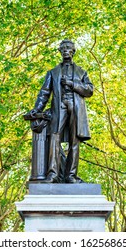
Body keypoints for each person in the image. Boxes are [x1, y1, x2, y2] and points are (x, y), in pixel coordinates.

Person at [30, 39, 93, 183]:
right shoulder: (53, 73)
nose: (65, 50)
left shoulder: (82, 72)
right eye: (63, 48)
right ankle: (52, 174)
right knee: (54, 138)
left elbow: (89, 90)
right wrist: (36, 109)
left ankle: (71, 175)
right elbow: (44, 92)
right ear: (59, 51)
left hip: (75, 108)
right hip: (59, 108)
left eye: (68, 48)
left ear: (73, 51)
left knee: (74, 141)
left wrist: (73, 84)